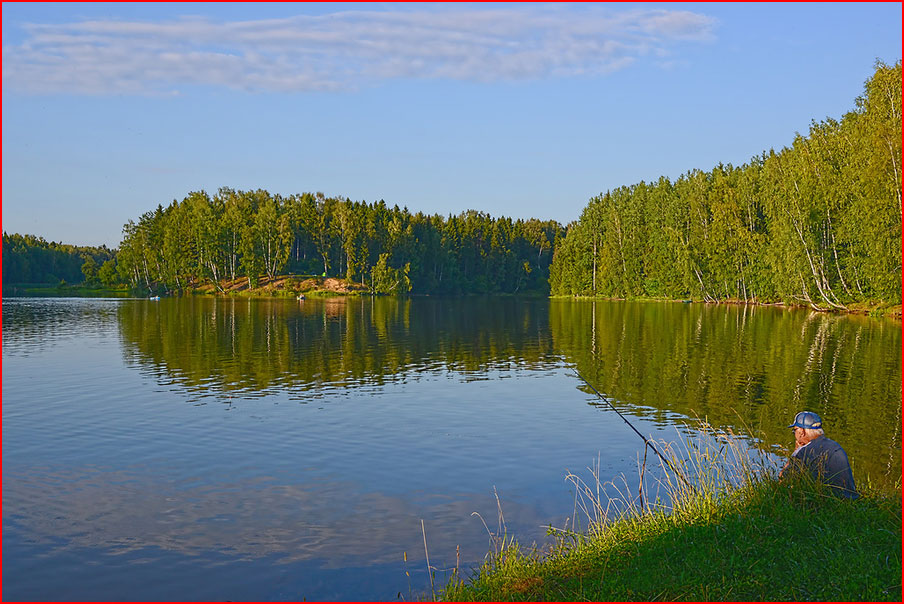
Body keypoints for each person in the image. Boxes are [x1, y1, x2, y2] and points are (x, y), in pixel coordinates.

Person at [779, 411, 858, 498]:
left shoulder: (804, 452)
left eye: (794, 430)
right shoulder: (835, 446)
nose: (794, 434)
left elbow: (783, 479)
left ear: (802, 432)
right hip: (850, 500)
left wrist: (795, 452)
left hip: (825, 504)